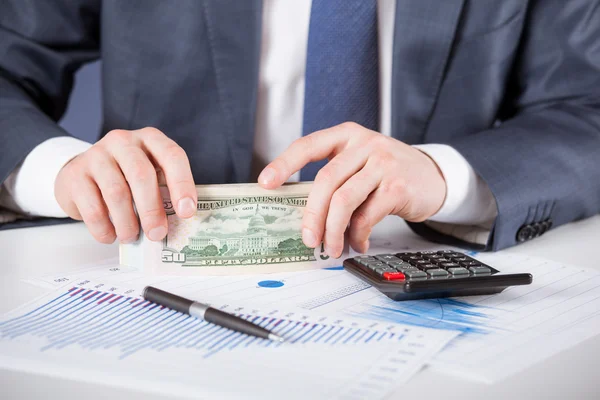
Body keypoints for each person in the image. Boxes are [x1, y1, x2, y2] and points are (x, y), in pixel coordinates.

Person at [0, 0, 599, 256]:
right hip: (154, 278)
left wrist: (445, 174)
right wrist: (59, 169)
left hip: (419, 294)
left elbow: (589, 110)